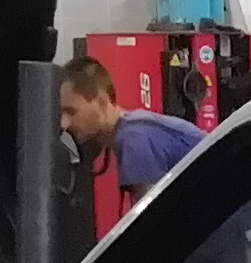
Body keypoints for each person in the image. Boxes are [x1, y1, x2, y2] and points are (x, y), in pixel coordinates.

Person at [58, 53, 205, 209]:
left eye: (71, 112)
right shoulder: (133, 126)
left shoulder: (132, 139)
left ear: (101, 102)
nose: (64, 123)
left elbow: (153, 216)